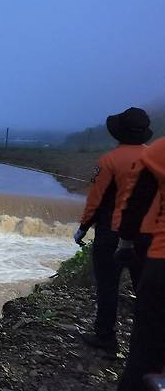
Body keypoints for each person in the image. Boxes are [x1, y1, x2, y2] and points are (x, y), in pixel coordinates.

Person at [74, 107, 155, 352]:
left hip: (112, 233)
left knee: (108, 286)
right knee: (147, 289)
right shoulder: (156, 159)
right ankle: (148, 343)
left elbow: (95, 201)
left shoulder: (108, 161)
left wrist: (83, 227)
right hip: (149, 236)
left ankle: (106, 337)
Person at [115, 137, 165, 391]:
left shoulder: (158, 151)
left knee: (146, 347)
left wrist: (125, 242)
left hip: (161, 260)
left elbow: (136, 204)